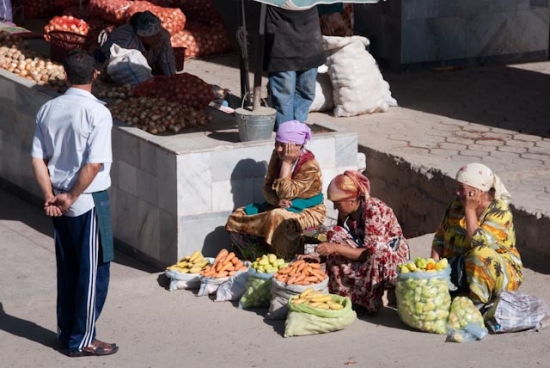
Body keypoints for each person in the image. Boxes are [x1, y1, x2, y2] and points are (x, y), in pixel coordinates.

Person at [30, 49, 118, 357]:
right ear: (94, 75)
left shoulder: (48, 109)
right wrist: (72, 196)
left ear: (65, 75)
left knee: (68, 269)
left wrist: (51, 196)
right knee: (94, 271)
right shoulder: (98, 113)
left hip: (58, 201)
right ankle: (82, 339)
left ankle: (68, 331)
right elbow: (94, 165)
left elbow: (38, 158)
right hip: (88, 201)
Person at [225, 120, 326, 260]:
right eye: (277, 143)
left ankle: (283, 260)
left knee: (277, 217)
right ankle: (260, 259)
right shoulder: (277, 155)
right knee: (237, 216)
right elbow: (267, 188)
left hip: (308, 211)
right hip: (279, 206)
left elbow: (287, 193)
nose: (278, 149)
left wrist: (286, 163)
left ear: (297, 146)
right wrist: (277, 201)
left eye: (283, 145)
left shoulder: (309, 166)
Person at [316, 171, 410, 314]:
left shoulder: (374, 210)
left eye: (337, 204)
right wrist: (318, 256)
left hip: (389, 257)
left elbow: (369, 252)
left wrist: (336, 248)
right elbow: (341, 241)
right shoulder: (346, 211)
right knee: (334, 234)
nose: (335, 208)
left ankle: (369, 302)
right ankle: (344, 296)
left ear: (352, 200)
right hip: (363, 249)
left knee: (376, 251)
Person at [431, 163, 523, 305]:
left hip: (494, 272)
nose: (457, 193)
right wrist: (433, 268)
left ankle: (477, 304)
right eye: (456, 188)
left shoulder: (500, 212)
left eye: (461, 189)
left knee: (479, 255)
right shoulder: (456, 205)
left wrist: (469, 210)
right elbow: (440, 237)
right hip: (461, 267)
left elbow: (477, 244)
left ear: (478, 190)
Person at [264, 5, 326, 130]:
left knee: (306, 90)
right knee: (284, 94)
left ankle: (297, 127)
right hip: (280, 37)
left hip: (310, 39)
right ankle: (286, 132)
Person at [100, 10, 176, 76]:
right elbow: (122, 67)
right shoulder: (127, 43)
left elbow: (168, 61)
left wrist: (172, 79)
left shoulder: (163, 36)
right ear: (142, 36)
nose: (157, 37)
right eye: (153, 36)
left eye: (158, 33)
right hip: (109, 62)